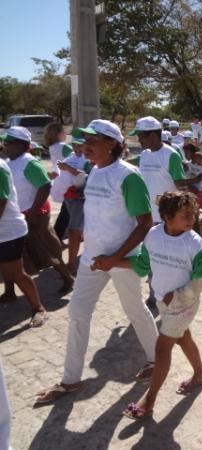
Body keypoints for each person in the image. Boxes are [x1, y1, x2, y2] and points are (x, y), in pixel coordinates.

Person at [34, 119, 159, 404]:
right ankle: (70, 380)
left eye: (93, 141)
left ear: (112, 144)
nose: (85, 146)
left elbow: (145, 223)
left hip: (121, 258)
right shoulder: (93, 171)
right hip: (93, 258)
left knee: (135, 309)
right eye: (85, 141)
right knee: (78, 312)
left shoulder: (129, 176)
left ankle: (156, 358)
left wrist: (114, 258)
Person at [120, 191, 202, 419]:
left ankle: (149, 400)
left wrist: (180, 294)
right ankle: (200, 373)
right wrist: (113, 261)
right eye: (186, 214)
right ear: (167, 216)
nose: (192, 218)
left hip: (183, 305)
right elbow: (144, 265)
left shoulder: (194, 242)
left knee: (162, 348)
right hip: (163, 301)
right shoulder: (153, 235)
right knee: (183, 338)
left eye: (193, 213)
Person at [3, 126, 74, 299]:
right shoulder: (11, 161)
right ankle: (10, 291)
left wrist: (33, 211)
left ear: (21, 145)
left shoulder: (29, 162)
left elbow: (44, 186)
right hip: (20, 214)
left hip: (35, 215)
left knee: (46, 249)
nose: (5, 146)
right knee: (12, 256)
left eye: (8, 143)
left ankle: (68, 278)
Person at [0, 140, 47, 326]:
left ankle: (39, 308)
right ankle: (9, 294)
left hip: (9, 230)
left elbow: (1, 204)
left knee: (17, 272)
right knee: (4, 267)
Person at [128, 117, 189, 224]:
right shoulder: (144, 154)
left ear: (152, 136)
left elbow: (182, 188)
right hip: (147, 216)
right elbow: (128, 163)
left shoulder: (171, 155)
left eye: (141, 136)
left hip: (166, 218)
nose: (139, 140)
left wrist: (182, 214)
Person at [51, 137, 92, 275]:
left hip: (81, 199)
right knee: (78, 230)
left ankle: (72, 264)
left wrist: (68, 168)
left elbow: (87, 176)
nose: (76, 147)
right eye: (74, 144)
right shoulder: (71, 157)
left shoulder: (89, 159)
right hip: (69, 198)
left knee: (74, 231)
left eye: (79, 145)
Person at [43, 122, 73, 241]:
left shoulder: (52, 147)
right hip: (69, 179)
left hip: (60, 179)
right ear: (59, 133)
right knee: (68, 210)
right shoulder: (64, 146)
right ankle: (58, 236)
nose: (65, 133)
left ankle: (61, 235)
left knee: (68, 209)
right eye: (63, 131)